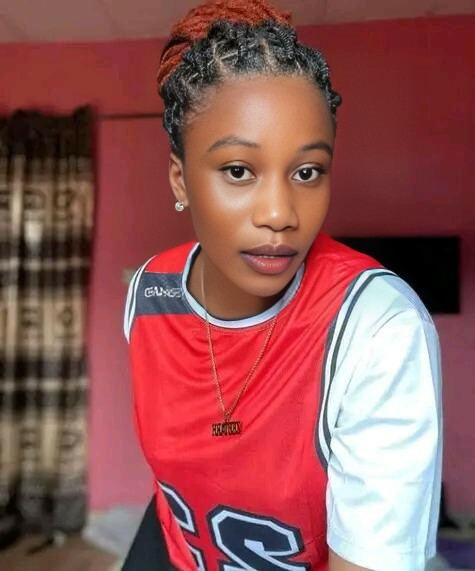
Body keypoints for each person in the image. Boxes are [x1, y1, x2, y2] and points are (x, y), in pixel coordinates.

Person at [123, 1, 442, 569]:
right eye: (238, 171)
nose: (280, 214)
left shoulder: (376, 327)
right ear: (181, 179)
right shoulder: (150, 293)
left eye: (306, 172)